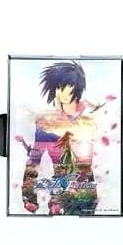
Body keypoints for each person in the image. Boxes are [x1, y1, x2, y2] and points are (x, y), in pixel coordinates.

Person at [21, 60, 103, 215]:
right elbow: (34, 163)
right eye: (58, 87)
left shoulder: (88, 123)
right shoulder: (46, 123)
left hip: (86, 197)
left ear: (76, 87)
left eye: (66, 86)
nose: (60, 92)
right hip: (60, 199)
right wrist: (29, 198)